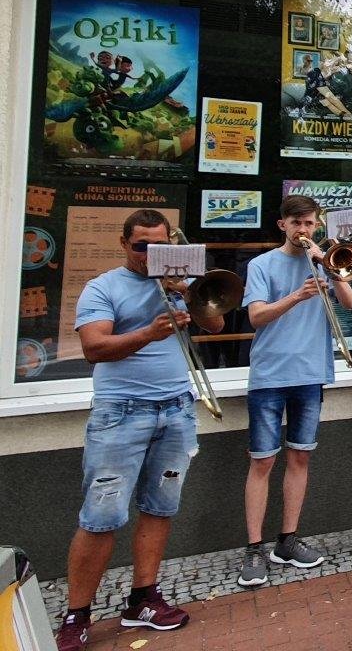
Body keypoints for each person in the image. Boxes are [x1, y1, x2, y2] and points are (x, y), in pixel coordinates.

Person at [55, 210, 225, 651]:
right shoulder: (103, 288)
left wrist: (192, 293)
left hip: (176, 408)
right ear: (123, 243)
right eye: (140, 247)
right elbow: (94, 348)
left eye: (159, 246)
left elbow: (217, 324)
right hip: (121, 413)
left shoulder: (178, 284)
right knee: (101, 516)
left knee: (159, 507)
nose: (150, 255)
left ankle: (142, 598)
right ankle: (77, 613)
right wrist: (149, 333)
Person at [237, 195, 352, 589]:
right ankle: (254, 549)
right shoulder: (262, 265)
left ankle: (286, 540)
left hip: (310, 373)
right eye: (297, 223)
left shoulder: (321, 261)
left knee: (300, 458)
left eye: (310, 224)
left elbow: (350, 303)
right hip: (270, 374)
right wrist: (295, 297)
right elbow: (256, 316)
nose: (304, 230)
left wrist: (330, 266)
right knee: (262, 463)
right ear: (282, 225)